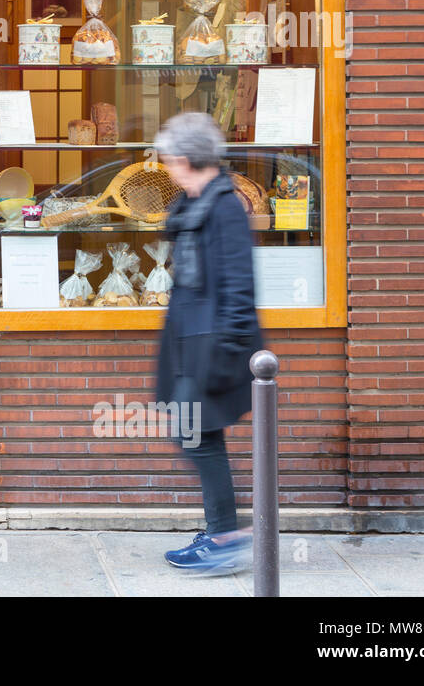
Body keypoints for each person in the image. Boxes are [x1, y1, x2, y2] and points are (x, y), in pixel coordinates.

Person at [154, 112, 263, 575]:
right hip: (189, 341)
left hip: (213, 344)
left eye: (169, 161)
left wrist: (226, 353)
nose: (165, 168)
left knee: (194, 433)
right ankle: (222, 531)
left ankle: (225, 536)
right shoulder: (196, 201)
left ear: (185, 159)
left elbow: (240, 288)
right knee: (200, 433)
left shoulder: (224, 207)